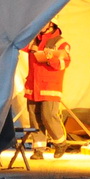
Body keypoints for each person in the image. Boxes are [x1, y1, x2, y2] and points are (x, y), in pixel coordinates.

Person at [22, 21, 72, 155]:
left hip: (49, 86)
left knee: (48, 116)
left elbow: (64, 63)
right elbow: (20, 45)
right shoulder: (34, 39)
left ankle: (60, 142)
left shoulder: (61, 43)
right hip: (33, 86)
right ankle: (39, 149)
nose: (41, 25)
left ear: (52, 23)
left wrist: (50, 58)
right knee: (34, 118)